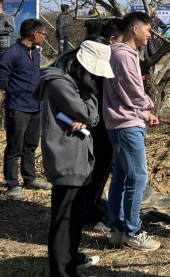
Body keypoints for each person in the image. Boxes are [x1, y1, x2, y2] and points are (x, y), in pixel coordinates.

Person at [33, 40, 114, 277]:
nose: (94, 79)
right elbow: (88, 113)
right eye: (92, 73)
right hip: (67, 159)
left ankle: (69, 265)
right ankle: (62, 271)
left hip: (76, 158)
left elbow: (91, 118)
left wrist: (88, 114)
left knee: (74, 218)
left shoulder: (69, 83)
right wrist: (88, 103)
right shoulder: (60, 84)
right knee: (65, 220)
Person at [103, 11, 161, 251]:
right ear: (135, 29)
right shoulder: (124, 55)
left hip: (122, 122)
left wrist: (144, 114)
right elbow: (133, 91)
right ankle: (132, 231)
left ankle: (118, 229)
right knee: (138, 177)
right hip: (126, 126)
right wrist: (148, 104)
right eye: (148, 30)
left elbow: (123, 94)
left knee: (122, 177)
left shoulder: (118, 53)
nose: (150, 35)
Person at [0, 18, 52, 200]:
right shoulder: (12, 53)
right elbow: (0, 81)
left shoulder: (35, 53)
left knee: (31, 145)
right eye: (43, 33)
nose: (44, 37)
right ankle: (12, 185)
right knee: (14, 147)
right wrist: (13, 93)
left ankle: (30, 178)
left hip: (36, 106)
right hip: (18, 108)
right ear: (34, 34)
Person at [83, 19, 124, 230]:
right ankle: (91, 214)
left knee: (97, 168)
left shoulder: (84, 55)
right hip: (98, 123)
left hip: (94, 122)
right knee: (98, 168)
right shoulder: (99, 59)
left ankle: (93, 208)